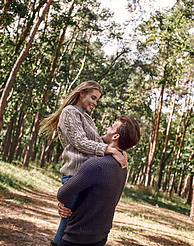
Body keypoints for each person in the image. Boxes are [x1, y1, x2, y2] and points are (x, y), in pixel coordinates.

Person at [40, 81, 127, 246]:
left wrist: (120, 150)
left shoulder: (86, 117)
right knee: (68, 224)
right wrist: (110, 150)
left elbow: (95, 142)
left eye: (97, 100)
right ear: (82, 93)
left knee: (73, 222)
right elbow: (80, 142)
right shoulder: (70, 112)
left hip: (86, 177)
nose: (94, 102)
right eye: (93, 98)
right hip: (74, 175)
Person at [56, 115, 140, 246]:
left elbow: (62, 193)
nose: (107, 128)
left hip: (78, 237)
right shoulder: (122, 166)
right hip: (100, 236)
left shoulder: (96, 165)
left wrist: (63, 202)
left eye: (111, 127)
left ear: (115, 136)